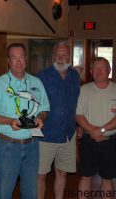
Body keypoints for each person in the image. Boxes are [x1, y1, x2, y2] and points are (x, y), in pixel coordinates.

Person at [0, 43, 50, 199]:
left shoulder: (36, 83)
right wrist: (9, 121)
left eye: (21, 57)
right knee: (4, 193)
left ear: (26, 60)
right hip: (7, 147)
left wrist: (40, 117)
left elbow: (45, 108)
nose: (18, 62)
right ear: (8, 61)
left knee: (31, 193)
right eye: (14, 58)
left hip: (32, 145)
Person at [76, 57, 116, 199]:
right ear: (91, 71)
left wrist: (101, 130)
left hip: (110, 141)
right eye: (95, 68)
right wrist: (92, 130)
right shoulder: (83, 90)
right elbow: (78, 115)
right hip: (88, 141)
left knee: (107, 178)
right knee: (85, 177)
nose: (99, 71)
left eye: (102, 68)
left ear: (109, 70)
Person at [36, 41, 80, 199]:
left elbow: (76, 103)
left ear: (70, 57)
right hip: (46, 135)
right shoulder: (41, 77)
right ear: (53, 57)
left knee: (62, 172)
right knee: (40, 175)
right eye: (58, 55)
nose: (61, 58)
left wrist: (79, 125)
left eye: (64, 55)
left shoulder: (75, 76)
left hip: (68, 134)